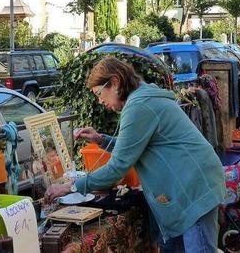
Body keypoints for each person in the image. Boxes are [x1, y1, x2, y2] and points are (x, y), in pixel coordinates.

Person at [44, 56, 225, 252]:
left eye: (99, 93)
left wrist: (70, 187)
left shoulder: (138, 106)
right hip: (192, 183)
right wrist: (101, 140)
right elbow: (135, 146)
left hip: (193, 189)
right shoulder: (143, 98)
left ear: (114, 82)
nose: (100, 101)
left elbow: (116, 168)